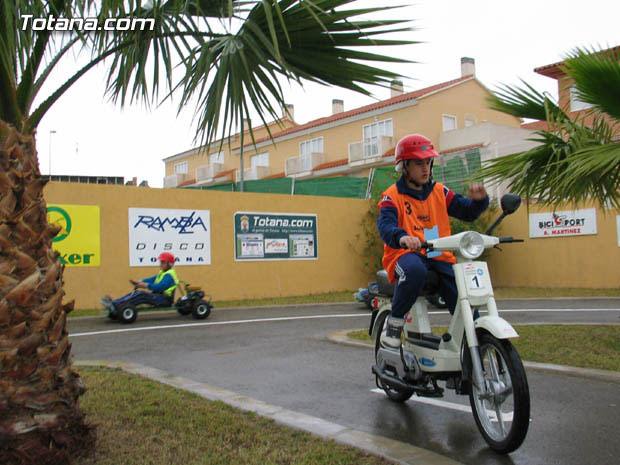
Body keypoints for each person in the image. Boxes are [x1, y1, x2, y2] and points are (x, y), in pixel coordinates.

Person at [377, 134, 489, 347]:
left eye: (428, 162)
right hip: (405, 255)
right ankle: (395, 323)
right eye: (419, 163)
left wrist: (479, 201)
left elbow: (466, 211)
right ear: (405, 166)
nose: (425, 168)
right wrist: (401, 237)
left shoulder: (440, 191)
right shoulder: (391, 196)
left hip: (439, 255)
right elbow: (385, 226)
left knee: (462, 287)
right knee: (415, 271)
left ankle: (476, 336)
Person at [100, 252, 179, 311]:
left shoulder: (169, 275)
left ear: (169, 264)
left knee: (141, 294)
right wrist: (139, 281)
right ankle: (116, 302)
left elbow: (160, 287)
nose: (160, 264)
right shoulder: (163, 272)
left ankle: (116, 304)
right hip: (158, 296)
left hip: (164, 300)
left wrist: (145, 285)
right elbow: (152, 279)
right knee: (136, 293)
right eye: (160, 262)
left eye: (162, 262)